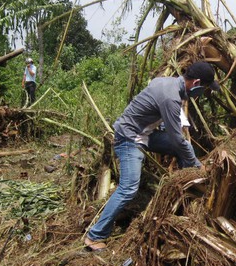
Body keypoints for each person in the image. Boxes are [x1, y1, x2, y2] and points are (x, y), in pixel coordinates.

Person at [84, 61, 220, 251]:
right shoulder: (171, 98)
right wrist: (198, 166)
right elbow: (177, 139)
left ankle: (187, 197)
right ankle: (95, 235)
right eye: (204, 88)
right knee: (129, 188)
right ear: (196, 83)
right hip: (129, 137)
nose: (202, 92)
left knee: (182, 148)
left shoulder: (168, 83)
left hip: (145, 134)